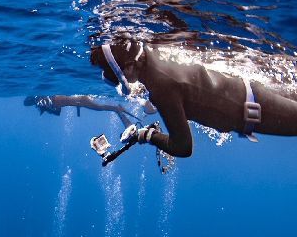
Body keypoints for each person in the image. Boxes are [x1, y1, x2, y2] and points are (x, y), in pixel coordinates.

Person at [88, 39, 297, 157]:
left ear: (130, 66)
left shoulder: (161, 89)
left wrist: (147, 136)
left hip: (257, 112)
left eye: (112, 74)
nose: (113, 79)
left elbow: (183, 147)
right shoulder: (156, 56)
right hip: (255, 91)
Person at [24, 94, 141, 128]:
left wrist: (45, 108)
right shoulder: (44, 100)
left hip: (80, 100)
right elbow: (58, 111)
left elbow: (55, 108)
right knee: (100, 108)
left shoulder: (41, 101)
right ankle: (118, 110)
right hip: (79, 101)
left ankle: (118, 109)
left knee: (100, 108)